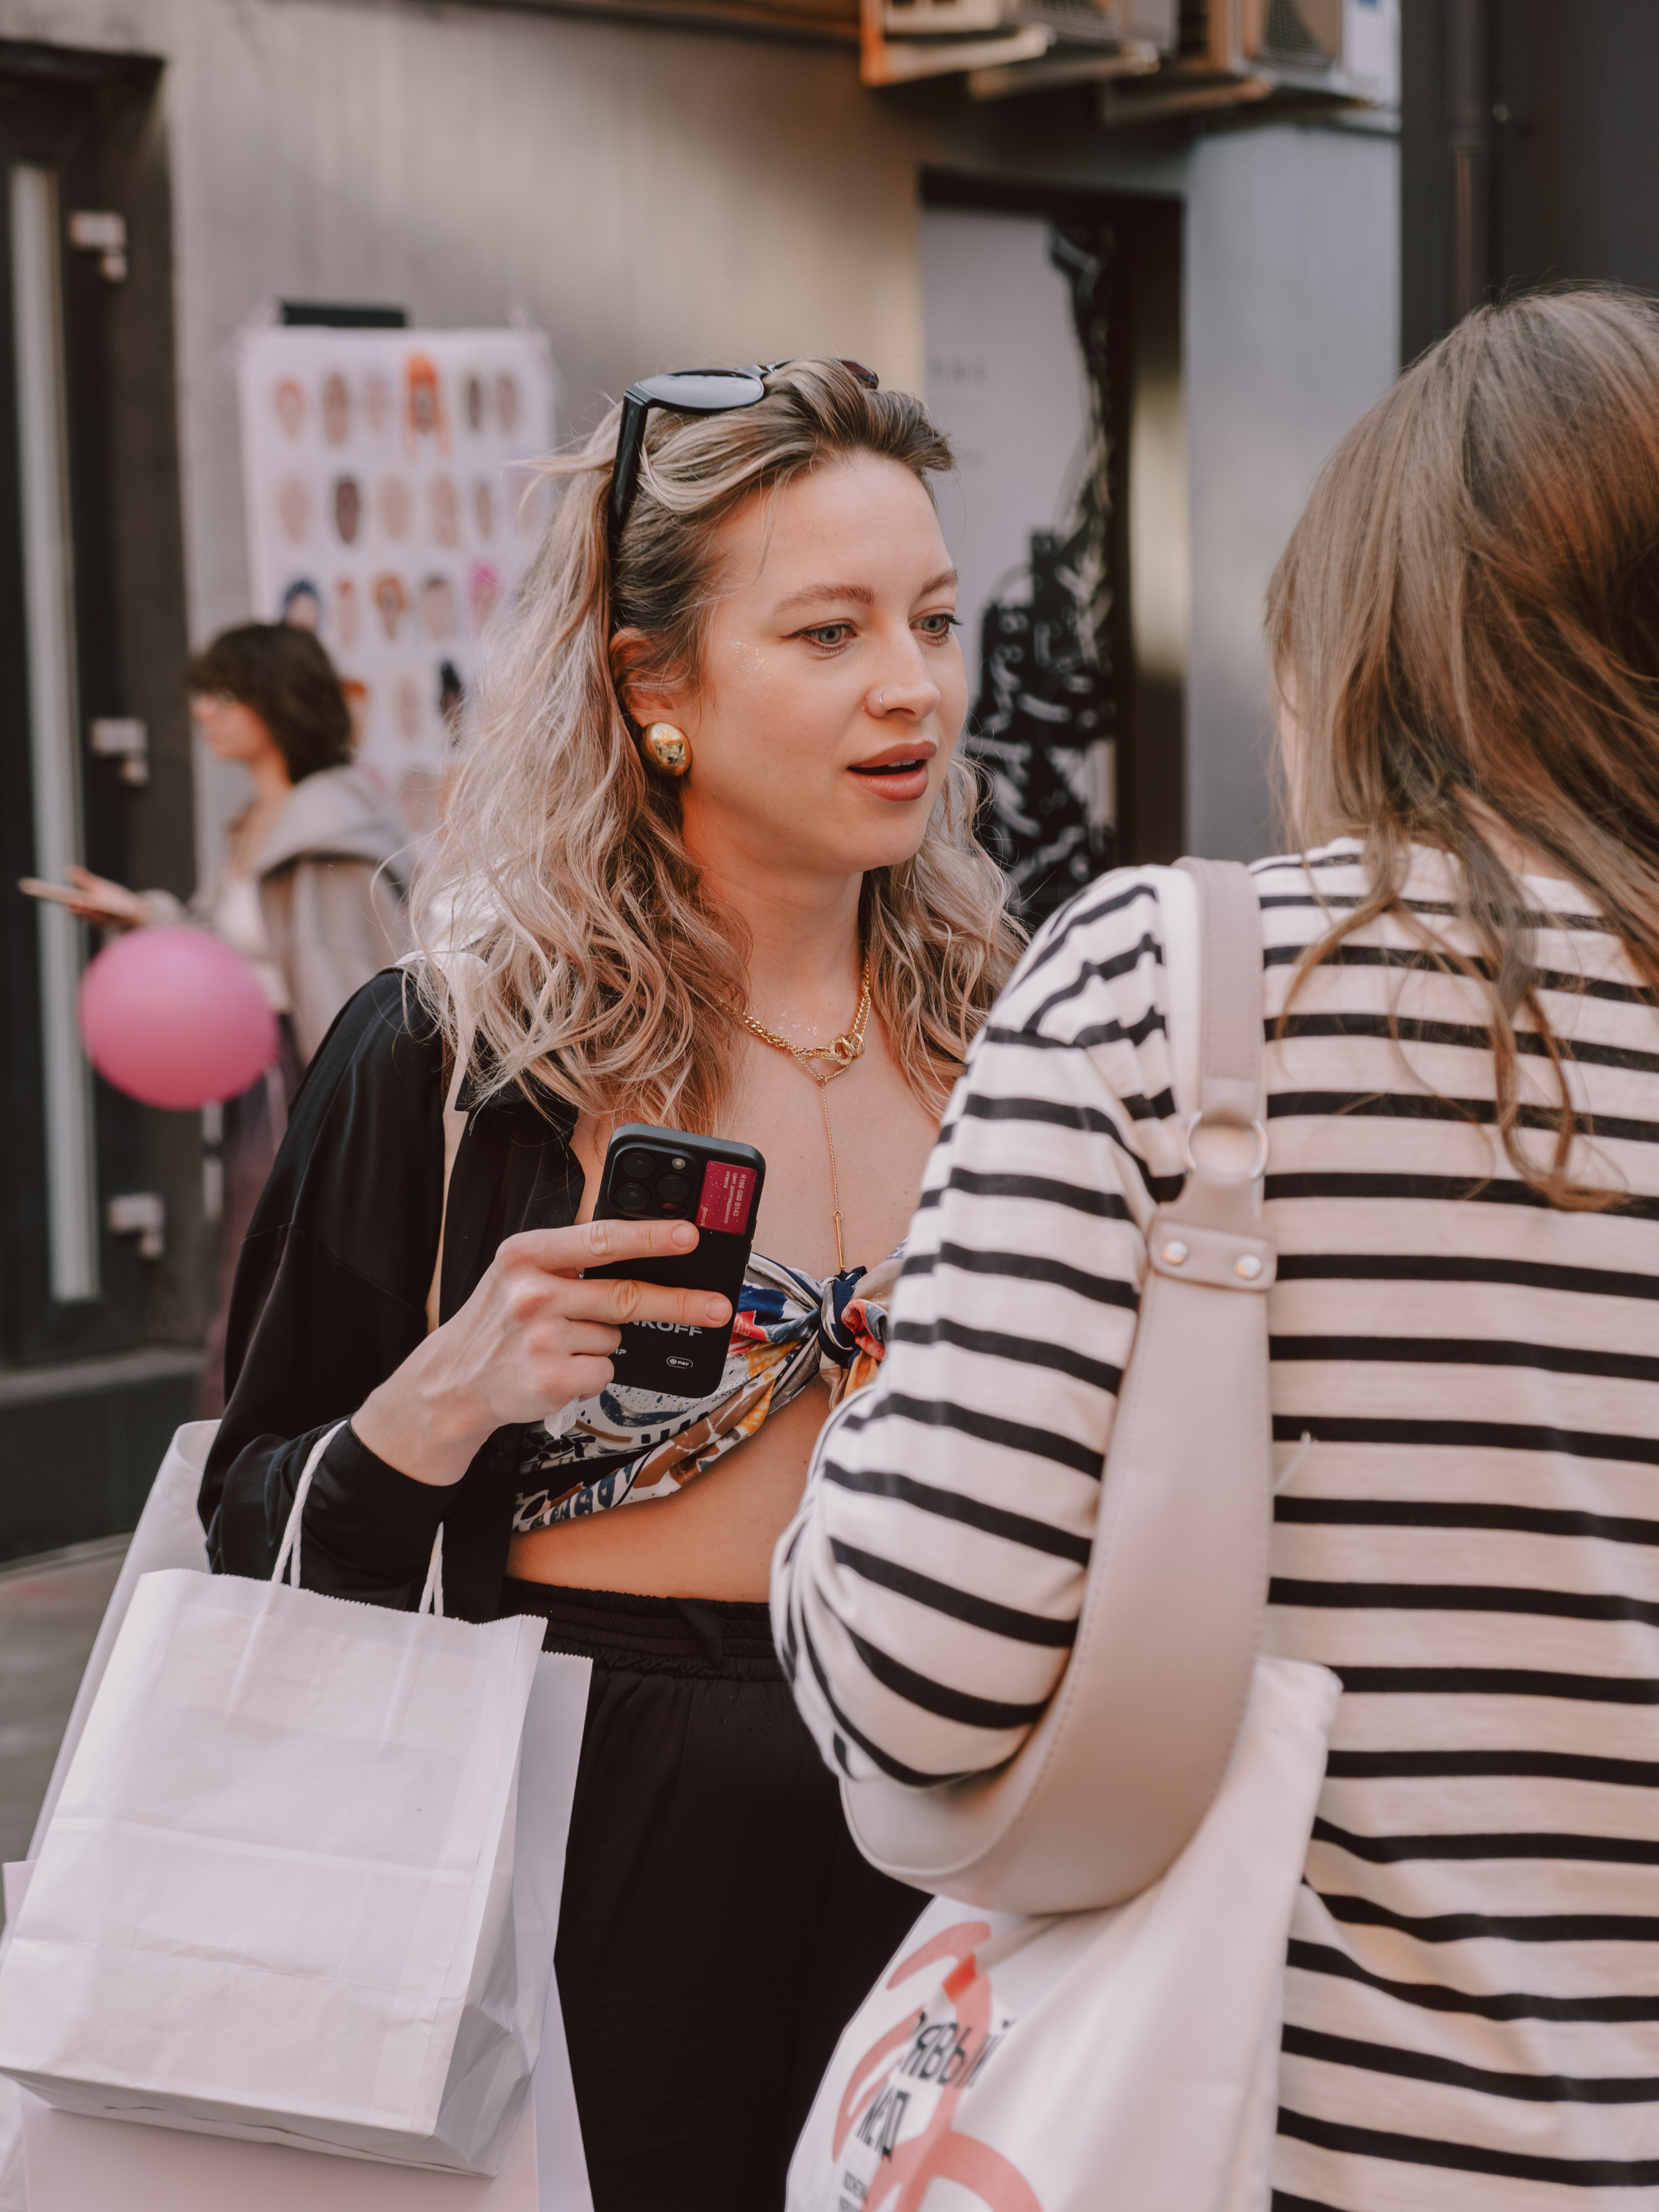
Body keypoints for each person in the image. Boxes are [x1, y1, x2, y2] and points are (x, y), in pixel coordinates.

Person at [776, 286, 1659, 2209]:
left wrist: (860, 1452)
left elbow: (920, 1673)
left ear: (1360, 646)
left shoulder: (1179, 985)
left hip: (1293, 2150)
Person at [198, 360, 1018, 2211]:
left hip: (952, 1814)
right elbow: (253, 1521)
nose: (913, 686)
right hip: (588, 1824)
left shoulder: (1020, 1040)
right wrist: (446, 1396)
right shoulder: (455, 1054)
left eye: (935, 619)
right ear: (654, 685)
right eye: (828, 631)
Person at [51, 622, 407, 1414]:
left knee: (266, 1263)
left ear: (276, 701)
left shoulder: (326, 832)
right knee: (254, 1263)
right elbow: (233, 945)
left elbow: (365, 980)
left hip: (310, 1077)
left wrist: (351, 1098)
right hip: (269, 1079)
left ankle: (243, 1441)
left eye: (224, 694)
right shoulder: (262, 821)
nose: (202, 712)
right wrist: (146, 915)